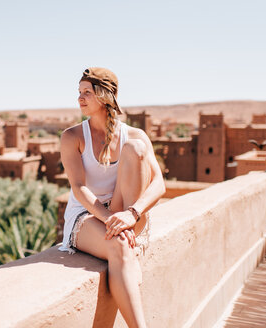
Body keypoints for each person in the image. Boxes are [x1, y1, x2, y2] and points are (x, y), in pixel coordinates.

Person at [58, 67, 166, 328]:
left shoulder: (135, 135)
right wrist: (109, 219)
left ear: (105, 96)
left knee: (136, 148)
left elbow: (159, 184)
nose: (80, 98)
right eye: (79, 92)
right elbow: (79, 188)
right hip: (87, 215)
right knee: (119, 247)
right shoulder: (72, 137)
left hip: (127, 213)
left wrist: (131, 214)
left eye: (87, 92)